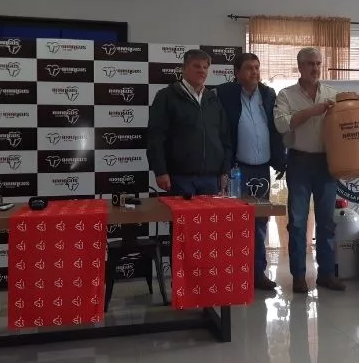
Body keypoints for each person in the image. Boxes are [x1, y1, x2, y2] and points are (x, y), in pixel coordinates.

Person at [274, 47, 345, 293]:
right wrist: (310, 112)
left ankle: (326, 274)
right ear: (300, 66)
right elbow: (281, 124)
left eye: (318, 63)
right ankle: (298, 276)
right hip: (299, 162)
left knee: (327, 222)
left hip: (327, 162)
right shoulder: (286, 95)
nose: (315, 68)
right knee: (297, 222)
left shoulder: (332, 94)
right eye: (310, 64)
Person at [217, 53, 287, 291]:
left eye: (257, 67)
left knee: (260, 222)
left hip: (262, 169)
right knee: (234, 223)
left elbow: (276, 130)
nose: (254, 72)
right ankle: (234, 273)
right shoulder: (224, 94)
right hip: (237, 170)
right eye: (248, 68)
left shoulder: (268, 95)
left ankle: (258, 273)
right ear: (237, 72)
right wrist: (223, 167)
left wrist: (280, 160)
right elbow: (221, 131)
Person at [147, 49, 232, 196]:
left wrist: (225, 170)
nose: (202, 71)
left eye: (205, 67)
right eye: (196, 66)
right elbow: (156, 137)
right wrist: (160, 171)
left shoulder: (213, 99)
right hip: (179, 178)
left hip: (211, 179)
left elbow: (225, 138)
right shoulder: (166, 96)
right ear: (184, 69)